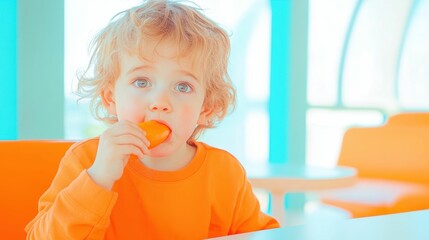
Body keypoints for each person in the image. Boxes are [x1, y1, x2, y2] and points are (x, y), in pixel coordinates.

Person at [25, 0, 279, 239]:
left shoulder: (225, 173)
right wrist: (98, 178)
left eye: (182, 87)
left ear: (207, 107)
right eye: (141, 82)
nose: (160, 102)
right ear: (110, 98)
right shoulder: (86, 161)